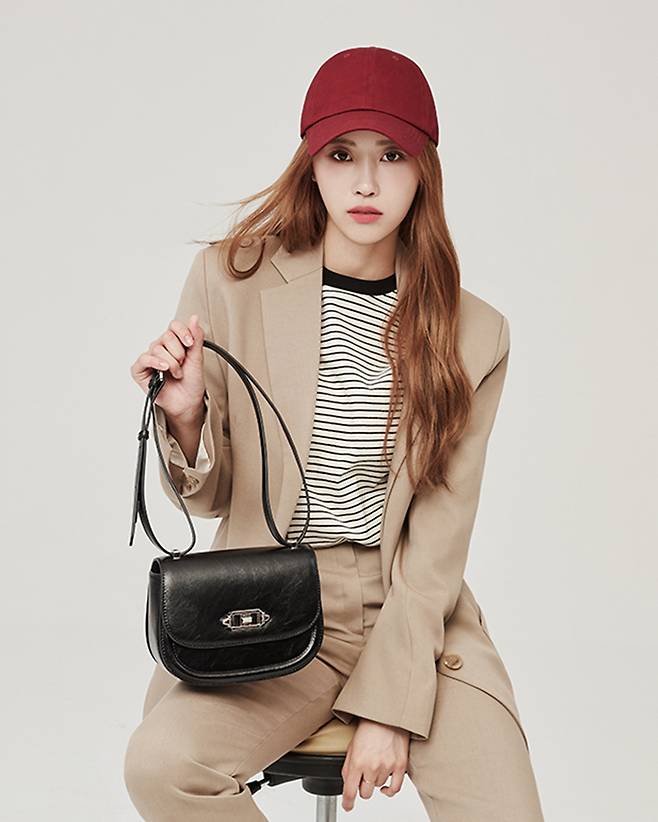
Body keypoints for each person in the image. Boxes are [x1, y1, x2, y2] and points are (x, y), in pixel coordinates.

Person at [124, 46, 545, 821]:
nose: (365, 182)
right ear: (311, 163)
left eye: (392, 155)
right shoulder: (232, 280)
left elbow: (439, 541)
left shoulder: (475, 333)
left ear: (424, 169)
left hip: (411, 608)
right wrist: (184, 414)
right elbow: (212, 500)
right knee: (163, 768)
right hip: (273, 601)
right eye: (342, 154)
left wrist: (389, 708)